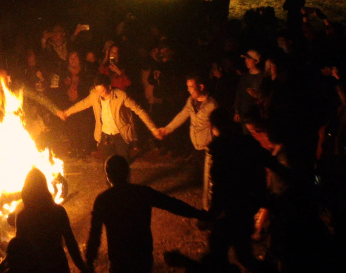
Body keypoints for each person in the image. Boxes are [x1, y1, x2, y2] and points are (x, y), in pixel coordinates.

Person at [84, 155, 208, 273]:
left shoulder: (103, 200)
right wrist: (199, 214)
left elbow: (95, 234)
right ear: (128, 172)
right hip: (142, 257)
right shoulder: (142, 193)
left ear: (108, 176)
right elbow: (172, 204)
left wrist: (89, 261)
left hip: (119, 260)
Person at [202, 109, 290, 273]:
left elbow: (220, 186)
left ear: (212, 126)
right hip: (247, 207)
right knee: (243, 255)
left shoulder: (221, 149)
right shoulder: (246, 143)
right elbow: (270, 162)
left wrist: (212, 212)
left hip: (231, 211)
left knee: (219, 253)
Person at [57, 74, 165, 162]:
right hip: (105, 136)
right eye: (97, 91)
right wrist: (67, 112)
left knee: (123, 164)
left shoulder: (121, 96)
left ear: (109, 87)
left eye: (102, 91)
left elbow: (139, 111)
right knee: (107, 164)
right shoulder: (95, 95)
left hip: (121, 135)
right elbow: (82, 104)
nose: (100, 94)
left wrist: (153, 129)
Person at [8, 168, 88, 273]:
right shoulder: (58, 212)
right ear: (45, 187)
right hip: (58, 266)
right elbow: (71, 243)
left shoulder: (23, 216)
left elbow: (19, 249)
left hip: (35, 268)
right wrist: (83, 267)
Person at [159, 75, 218, 210]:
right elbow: (182, 116)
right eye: (187, 86)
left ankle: (208, 213)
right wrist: (166, 130)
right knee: (203, 180)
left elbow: (218, 129)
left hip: (208, 148)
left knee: (209, 182)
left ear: (201, 87)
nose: (189, 90)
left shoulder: (212, 106)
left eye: (191, 86)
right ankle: (208, 207)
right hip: (196, 147)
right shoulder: (191, 101)